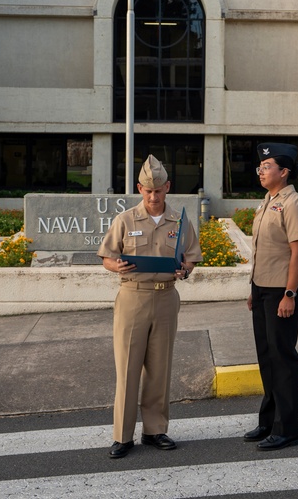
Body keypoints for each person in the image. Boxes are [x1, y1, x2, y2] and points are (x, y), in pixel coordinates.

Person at [97, 154, 202, 459]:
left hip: (167, 297)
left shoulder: (180, 221)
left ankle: (155, 430)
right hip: (133, 296)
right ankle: (122, 436)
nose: (153, 196)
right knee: (128, 368)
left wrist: (186, 270)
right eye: (147, 190)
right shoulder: (125, 220)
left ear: (167, 187)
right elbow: (106, 257)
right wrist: (116, 266)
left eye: (158, 190)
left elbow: (192, 257)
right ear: (139, 189)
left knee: (160, 368)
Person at [244, 142, 298, 451]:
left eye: (267, 166)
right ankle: (269, 421)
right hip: (262, 290)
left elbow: (297, 254)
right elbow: (262, 251)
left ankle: (288, 429)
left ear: (283, 172)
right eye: (260, 167)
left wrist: (289, 295)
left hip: (282, 292)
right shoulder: (267, 200)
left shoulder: (293, 203)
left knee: (283, 360)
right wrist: (253, 290)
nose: (261, 170)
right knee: (266, 358)